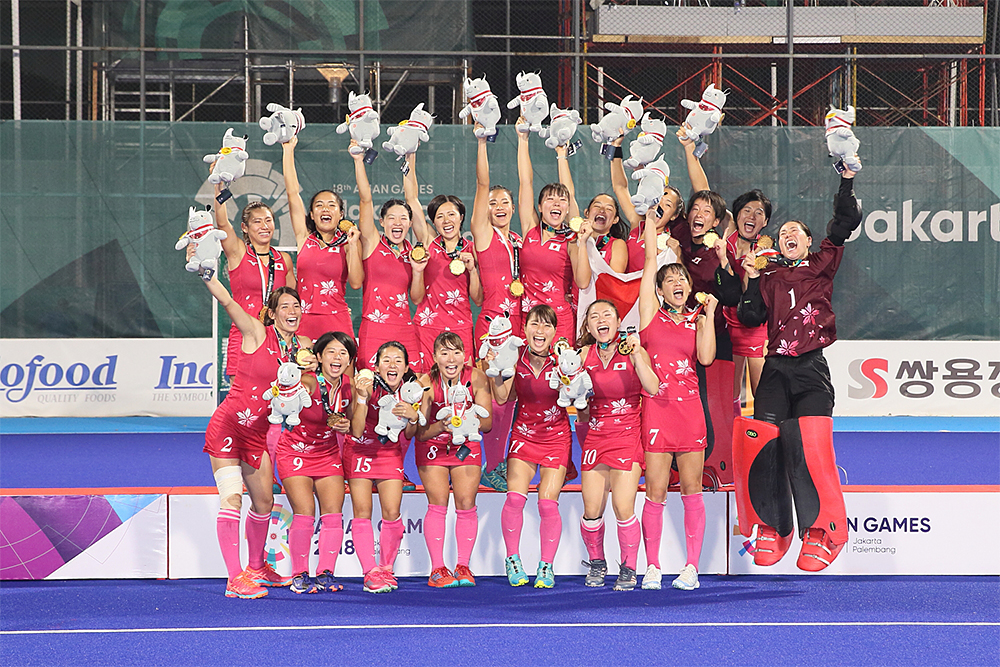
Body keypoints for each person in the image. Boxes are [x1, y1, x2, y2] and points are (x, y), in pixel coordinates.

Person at [734, 167, 862, 571]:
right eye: (784, 232)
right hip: (774, 370)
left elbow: (845, 220)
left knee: (810, 449)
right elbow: (750, 316)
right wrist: (751, 278)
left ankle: (824, 530)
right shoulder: (768, 274)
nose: (788, 234)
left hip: (810, 370)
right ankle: (773, 527)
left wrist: (846, 179)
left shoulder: (822, 263)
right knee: (764, 448)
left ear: (808, 242)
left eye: (797, 231)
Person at [199, 275, 314, 599]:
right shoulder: (256, 332)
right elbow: (228, 302)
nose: (292, 311)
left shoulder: (302, 347)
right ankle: (234, 579)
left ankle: (256, 567)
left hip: (257, 434)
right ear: (272, 313)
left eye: (296, 306)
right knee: (232, 499)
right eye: (285, 307)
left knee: (264, 502)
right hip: (228, 427)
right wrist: (208, 277)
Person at [637, 214, 718, 592]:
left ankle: (691, 568)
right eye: (669, 280)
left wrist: (710, 317)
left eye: (681, 279)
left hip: (690, 413)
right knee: (655, 492)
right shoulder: (649, 316)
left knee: (691, 489)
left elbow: (706, 358)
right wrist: (649, 219)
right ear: (659, 290)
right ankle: (652, 566)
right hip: (657, 410)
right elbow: (649, 260)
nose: (677, 283)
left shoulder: (697, 319)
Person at [575, 300, 660, 591]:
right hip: (596, 436)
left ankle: (629, 567)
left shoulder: (634, 350)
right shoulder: (583, 355)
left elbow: (653, 387)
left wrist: (636, 355)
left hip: (627, 435)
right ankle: (597, 563)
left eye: (607, 314)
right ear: (588, 327)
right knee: (591, 509)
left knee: (623, 506)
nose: (601, 320)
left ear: (619, 321)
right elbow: (574, 397)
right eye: (594, 316)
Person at [489, 305, 571, 588]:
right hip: (524, 434)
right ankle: (513, 559)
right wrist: (496, 370)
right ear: (524, 329)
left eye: (547, 325)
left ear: (555, 332)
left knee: (547, 502)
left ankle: (546, 565)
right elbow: (502, 397)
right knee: (514, 499)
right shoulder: (514, 356)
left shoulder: (563, 359)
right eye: (535, 324)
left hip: (556, 436)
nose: (540, 330)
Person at [275, 331, 356, 594]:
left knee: (333, 514)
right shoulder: (309, 381)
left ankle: (325, 573)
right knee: (305, 512)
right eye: (331, 352)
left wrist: (346, 425)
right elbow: (290, 393)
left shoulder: (349, 386)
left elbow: (354, 424)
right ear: (319, 357)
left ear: (349, 360)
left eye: (343, 353)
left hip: (327, 453)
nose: (337, 357)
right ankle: (299, 574)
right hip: (295, 452)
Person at [415, 332, 493, 587]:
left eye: (456, 352)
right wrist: (442, 426)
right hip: (433, 445)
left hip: (466, 443)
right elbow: (420, 432)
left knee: (466, 502)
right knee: (438, 503)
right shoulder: (425, 383)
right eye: (444, 353)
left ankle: (463, 566)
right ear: (435, 357)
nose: (451, 359)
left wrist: (467, 420)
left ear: (465, 356)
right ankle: (437, 568)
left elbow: (488, 424)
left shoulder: (477, 377)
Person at [346, 341, 422, 593]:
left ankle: (386, 569)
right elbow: (356, 430)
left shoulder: (410, 391)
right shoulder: (366, 385)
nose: (392, 365)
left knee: (392, 511)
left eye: (398, 360)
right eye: (386, 360)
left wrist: (413, 416)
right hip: (360, 450)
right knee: (363, 511)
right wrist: (362, 398)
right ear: (376, 367)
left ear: (406, 367)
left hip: (389, 453)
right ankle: (370, 572)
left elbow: (409, 434)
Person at [470, 126, 521, 492]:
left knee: (512, 399)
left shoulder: (517, 240)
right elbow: (482, 184)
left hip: (519, 326)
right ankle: (488, 463)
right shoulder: (484, 235)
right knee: (495, 398)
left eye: (504, 202)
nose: (499, 206)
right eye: (493, 202)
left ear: (513, 208)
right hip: (492, 326)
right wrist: (482, 143)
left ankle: (499, 462)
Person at [281, 136, 364, 341]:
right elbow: (292, 193)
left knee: (342, 364)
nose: (325, 209)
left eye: (331, 205)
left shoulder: (348, 243)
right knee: (303, 364)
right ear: (311, 214)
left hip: (337, 320)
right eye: (319, 205)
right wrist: (288, 150)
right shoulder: (304, 238)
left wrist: (354, 245)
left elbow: (356, 283)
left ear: (341, 214)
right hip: (303, 320)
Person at [404, 153, 483, 367]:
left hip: (460, 328)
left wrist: (472, 270)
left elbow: (478, 300)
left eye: (452, 215)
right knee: (426, 382)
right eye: (440, 216)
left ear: (461, 217)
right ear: (434, 222)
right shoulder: (429, 242)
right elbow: (411, 199)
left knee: (463, 382)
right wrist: (410, 156)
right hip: (427, 327)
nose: (446, 220)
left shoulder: (472, 249)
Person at [516, 119, 590, 345]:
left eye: (561, 200)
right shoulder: (530, 229)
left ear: (567, 209)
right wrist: (522, 140)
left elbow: (583, 282)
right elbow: (525, 182)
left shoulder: (571, 239)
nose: (556, 203)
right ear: (539, 207)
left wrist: (561, 155)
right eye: (550, 199)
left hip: (559, 320)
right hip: (528, 319)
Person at [211, 180, 295, 379]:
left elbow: (293, 302)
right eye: (257, 221)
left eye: (268, 220)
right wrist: (218, 188)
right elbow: (222, 224)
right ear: (245, 227)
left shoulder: (283, 260)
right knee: (242, 396)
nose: (264, 226)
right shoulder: (238, 252)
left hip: (276, 338)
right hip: (244, 336)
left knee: (279, 395)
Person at [352, 142, 424, 373]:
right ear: (382, 222)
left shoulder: (414, 253)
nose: (397, 223)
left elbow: (416, 298)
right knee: (369, 383)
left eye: (403, 219)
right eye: (391, 218)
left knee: (413, 384)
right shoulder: (372, 242)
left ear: (410, 224)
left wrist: (418, 271)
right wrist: (358, 161)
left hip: (404, 328)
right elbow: (365, 200)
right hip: (374, 329)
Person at [609, 131, 689, 273]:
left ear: (674, 216)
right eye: (659, 198)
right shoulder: (637, 224)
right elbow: (620, 187)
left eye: (668, 204)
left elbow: (680, 280)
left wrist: (677, 256)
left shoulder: (669, 244)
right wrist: (616, 147)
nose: (660, 205)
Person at [724, 189, 772, 409]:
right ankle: (733, 430)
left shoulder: (766, 253)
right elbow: (704, 193)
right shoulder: (726, 241)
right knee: (730, 393)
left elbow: (750, 293)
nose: (752, 216)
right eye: (747, 210)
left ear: (765, 222)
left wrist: (753, 261)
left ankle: (764, 431)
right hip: (727, 324)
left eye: (759, 213)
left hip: (755, 326)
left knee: (761, 392)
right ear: (737, 215)